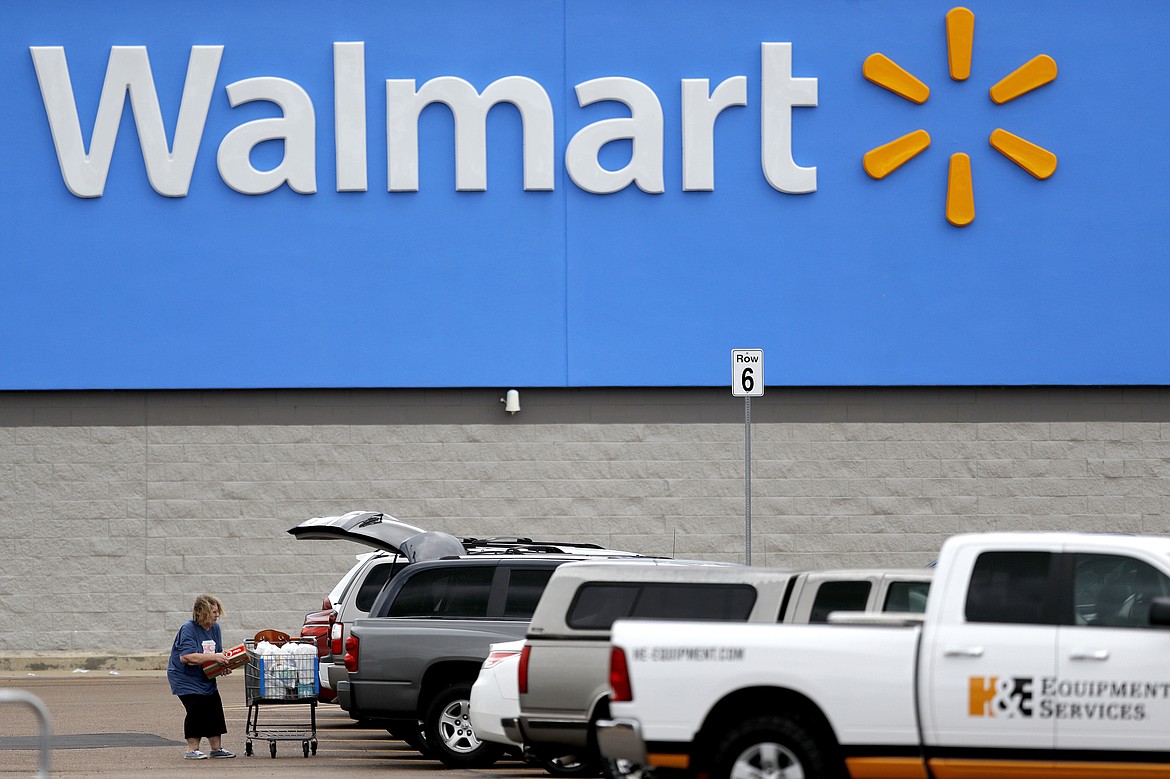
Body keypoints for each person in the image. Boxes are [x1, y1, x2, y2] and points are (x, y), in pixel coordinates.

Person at [167, 594, 236, 760]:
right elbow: (187, 657)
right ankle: (192, 749)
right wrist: (215, 658)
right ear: (201, 612)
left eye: (217, 612)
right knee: (196, 709)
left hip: (205, 677)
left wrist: (222, 666)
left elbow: (216, 654)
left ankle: (216, 748)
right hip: (184, 678)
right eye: (213, 611)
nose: (217, 615)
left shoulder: (215, 629)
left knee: (214, 708)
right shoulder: (188, 629)